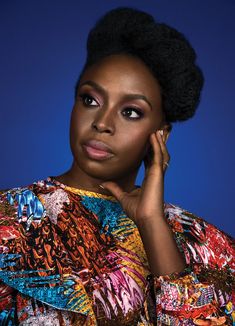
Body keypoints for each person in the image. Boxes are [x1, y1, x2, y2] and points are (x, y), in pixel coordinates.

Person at [0, 6, 234, 326]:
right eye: (90, 100)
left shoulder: (205, 244)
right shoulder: (11, 220)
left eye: (131, 112)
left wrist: (152, 222)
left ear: (160, 134)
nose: (102, 123)